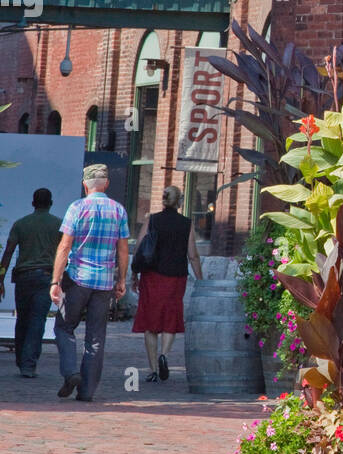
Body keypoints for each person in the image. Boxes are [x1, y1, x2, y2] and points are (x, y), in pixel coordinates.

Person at [50, 164, 129, 402]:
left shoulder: (77, 207)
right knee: (96, 337)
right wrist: (122, 279)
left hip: (77, 279)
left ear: (85, 185)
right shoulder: (118, 210)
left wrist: (55, 280)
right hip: (104, 283)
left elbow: (65, 246)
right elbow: (123, 249)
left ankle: (71, 372)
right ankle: (87, 392)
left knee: (64, 327)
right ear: (106, 184)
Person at [131, 184, 202, 383]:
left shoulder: (152, 220)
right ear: (179, 202)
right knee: (171, 318)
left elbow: (138, 247)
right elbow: (193, 255)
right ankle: (164, 354)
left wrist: (133, 274)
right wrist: (201, 279)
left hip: (152, 276)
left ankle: (153, 369)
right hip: (176, 277)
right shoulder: (186, 223)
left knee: (150, 322)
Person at [0, 188, 63, 378]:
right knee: (37, 320)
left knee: (23, 319)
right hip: (46, 277)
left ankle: (21, 359)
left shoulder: (21, 224)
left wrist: (0, 279)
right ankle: (28, 364)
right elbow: (65, 252)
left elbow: (8, 252)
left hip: (23, 278)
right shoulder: (58, 225)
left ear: (33, 203)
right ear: (50, 203)